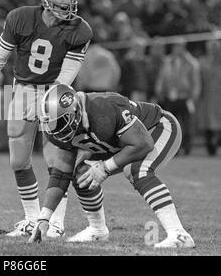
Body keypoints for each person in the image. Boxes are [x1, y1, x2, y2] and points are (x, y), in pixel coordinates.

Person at [0, 0, 92, 237]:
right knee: (18, 161)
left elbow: (66, 76)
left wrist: (48, 103)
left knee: (55, 160)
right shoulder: (20, 17)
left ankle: (55, 222)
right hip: (23, 89)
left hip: (56, 92)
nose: (67, 1)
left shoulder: (80, 30)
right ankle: (32, 219)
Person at [29, 84, 195, 248]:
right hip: (121, 143)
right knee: (80, 172)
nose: (55, 129)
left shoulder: (103, 109)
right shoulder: (59, 132)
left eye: (60, 121)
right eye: (51, 123)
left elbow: (143, 144)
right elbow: (60, 175)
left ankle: (179, 234)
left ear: (75, 111)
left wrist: (105, 167)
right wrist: (44, 217)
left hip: (157, 128)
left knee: (137, 170)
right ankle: (97, 230)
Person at [155, 39, 201, 155]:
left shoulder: (191, 62)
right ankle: (174, 148)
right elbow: (162, 77)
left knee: (186, 124)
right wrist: (159, 90)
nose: (177, 49)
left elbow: (195, 81)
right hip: (170, 97)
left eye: (180, 46)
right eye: (176, 46)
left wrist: (194, 96)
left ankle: (187, 147)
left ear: (184, 47)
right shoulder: (168, 61)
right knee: (171, 124)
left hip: (185, 97)